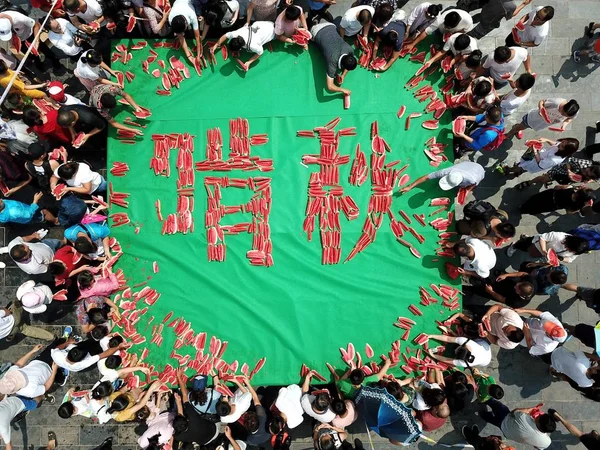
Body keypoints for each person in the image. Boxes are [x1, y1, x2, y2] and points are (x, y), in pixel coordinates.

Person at [0, 343, 67, 400]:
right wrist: (54, 372)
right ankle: (63, 375)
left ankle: (64, 340)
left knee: (54, 348)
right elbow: (46, 387)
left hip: (38, 361)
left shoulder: (9, 376)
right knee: (61, 374)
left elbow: (18, 364)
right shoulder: (30, 392)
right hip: (50, 374)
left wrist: (32, 351)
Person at [173, 368, 219, 445]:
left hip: (203, 441)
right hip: (213, 431)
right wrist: (179, 376)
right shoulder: (214, 395)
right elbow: (184, 395)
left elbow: (185, 395)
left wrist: (178, 402)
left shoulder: (179, 437)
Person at [481, 400, 555, 449]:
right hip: (508, 434)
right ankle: (483, 414)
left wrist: (530, 409)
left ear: (539, 423)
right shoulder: (546, 442)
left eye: (539, 416)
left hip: (505, 420)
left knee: (498, 406)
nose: (539, 415)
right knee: (492, 420)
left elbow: (514, 411)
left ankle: (483, 401)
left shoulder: (524, 418)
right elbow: (537, 447)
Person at [309, 22, 356, 96]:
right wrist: (343, 90)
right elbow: (330, 87)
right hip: (316, 30)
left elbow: (348, 63)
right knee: (311, 37)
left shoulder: (349, 49)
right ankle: (311, 25)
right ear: (343, 66)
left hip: (330, 25)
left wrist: (343, 75)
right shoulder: (332, 62)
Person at [499, 137, 579, 178]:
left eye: (563, 145)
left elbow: (540, 164)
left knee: (521, 166)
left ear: (565, 151)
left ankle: (508, 170)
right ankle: (518, 172)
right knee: (523, 168)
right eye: (564, 141)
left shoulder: (554, 160)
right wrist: (547, 140)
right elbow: (556, 144)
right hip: (537, 156)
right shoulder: (562, 146)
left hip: (534, 162)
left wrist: (535, 151)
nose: (561, 143)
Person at [507, 98, 580, 139]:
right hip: (534, 118)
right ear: (564, 106)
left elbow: (569, 119)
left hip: (541, 124)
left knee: (527, 127)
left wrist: (564, 125)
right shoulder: (556, 103)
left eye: (565, 115)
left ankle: (518, 128)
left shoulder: (573, 113)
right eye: (563, 112)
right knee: (522, 125)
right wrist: (541, 109)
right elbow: (541, 101)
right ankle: (509, 133)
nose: (562, 114)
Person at [399, 161, 485, 195]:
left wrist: (466, 192)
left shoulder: (472, 179)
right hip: (469, 164)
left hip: (479, 170)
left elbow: (473, 185)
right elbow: (426, 177)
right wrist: (410, 186)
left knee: (466, 187)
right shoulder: (446, 172)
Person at [406, 9, 474, 50]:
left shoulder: (468, 21)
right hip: (440, 30)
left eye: (449, 27)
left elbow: (465, 31)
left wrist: (454, 34)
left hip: (455, 33)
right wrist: (412, 44)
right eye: (445, 26)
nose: (447, 28)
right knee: (435, 34)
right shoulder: (439, 20)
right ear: (444, 20)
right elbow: (426, 32)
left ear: (456, 25)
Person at [463, 0, 533, 39]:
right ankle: (464, 37)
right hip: (490, 22)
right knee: (475, 34)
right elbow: (511, 15)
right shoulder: (511, 6)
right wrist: (523, 4)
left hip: (484, 11)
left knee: (474, 19)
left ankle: (464, 25)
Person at [51, 336, 125, 372]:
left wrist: (68, 342)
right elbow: (103, 354)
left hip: (64, 362)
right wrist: (118, 347)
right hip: (78, 367)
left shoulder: (56, 355)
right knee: (96, 353)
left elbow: (57, 348)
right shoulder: (84, 363)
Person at [506, 231, 589, 263]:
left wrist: (561, 259)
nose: (568, 250)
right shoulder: (558, 236)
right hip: (537, 245)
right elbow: (542, 238)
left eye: (571, 251)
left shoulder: (577, 250)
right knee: (525, 246)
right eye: (568, 247)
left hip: (543, 253)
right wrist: (544, 250)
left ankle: (525, 238)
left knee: (531, 252)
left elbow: (570, 259)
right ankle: (515, 245)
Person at [168, 0, 204, 65]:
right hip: (177, 2)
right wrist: (189, 56)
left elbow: (197, 36)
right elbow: (181, 38)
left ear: (186, 24)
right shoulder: (171, 19)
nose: (181, 34)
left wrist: (198, 56)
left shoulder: (192, 15)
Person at [520, 186, 596, 216]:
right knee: (536, 208)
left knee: (534, 199)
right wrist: (584, 206)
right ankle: (523, 210)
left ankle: (523, 206)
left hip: (550, 195)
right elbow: (569, 212)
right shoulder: (576, 205)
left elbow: (557, 187)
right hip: (552, 205)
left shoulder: (571, 188)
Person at [426, 335, 492, 368]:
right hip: (485, 346)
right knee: (476, 339)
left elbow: (446, 359)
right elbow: (447, 338)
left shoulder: (464, 364)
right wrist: (431, 336)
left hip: (485, 361)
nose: (455, 350)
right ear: (464, 346)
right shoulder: (466, 342)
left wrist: (433, 355)